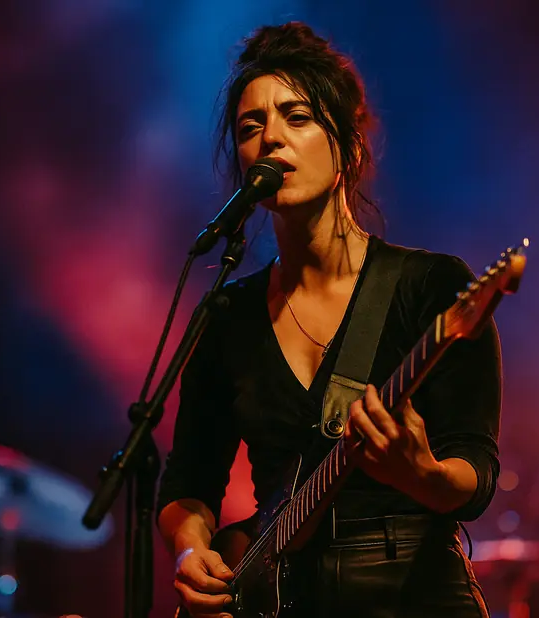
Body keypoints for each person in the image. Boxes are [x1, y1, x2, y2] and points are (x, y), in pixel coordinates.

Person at [157, 21, 502, 618]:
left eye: (297, 117)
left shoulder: (432, 286)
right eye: (250, 127)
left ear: (348, 144)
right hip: (283, 597)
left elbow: (477, 470)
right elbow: (188, 483)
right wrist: (191, 552)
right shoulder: (227, 315)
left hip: (414, 593)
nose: (270, 139)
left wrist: (421, 474)